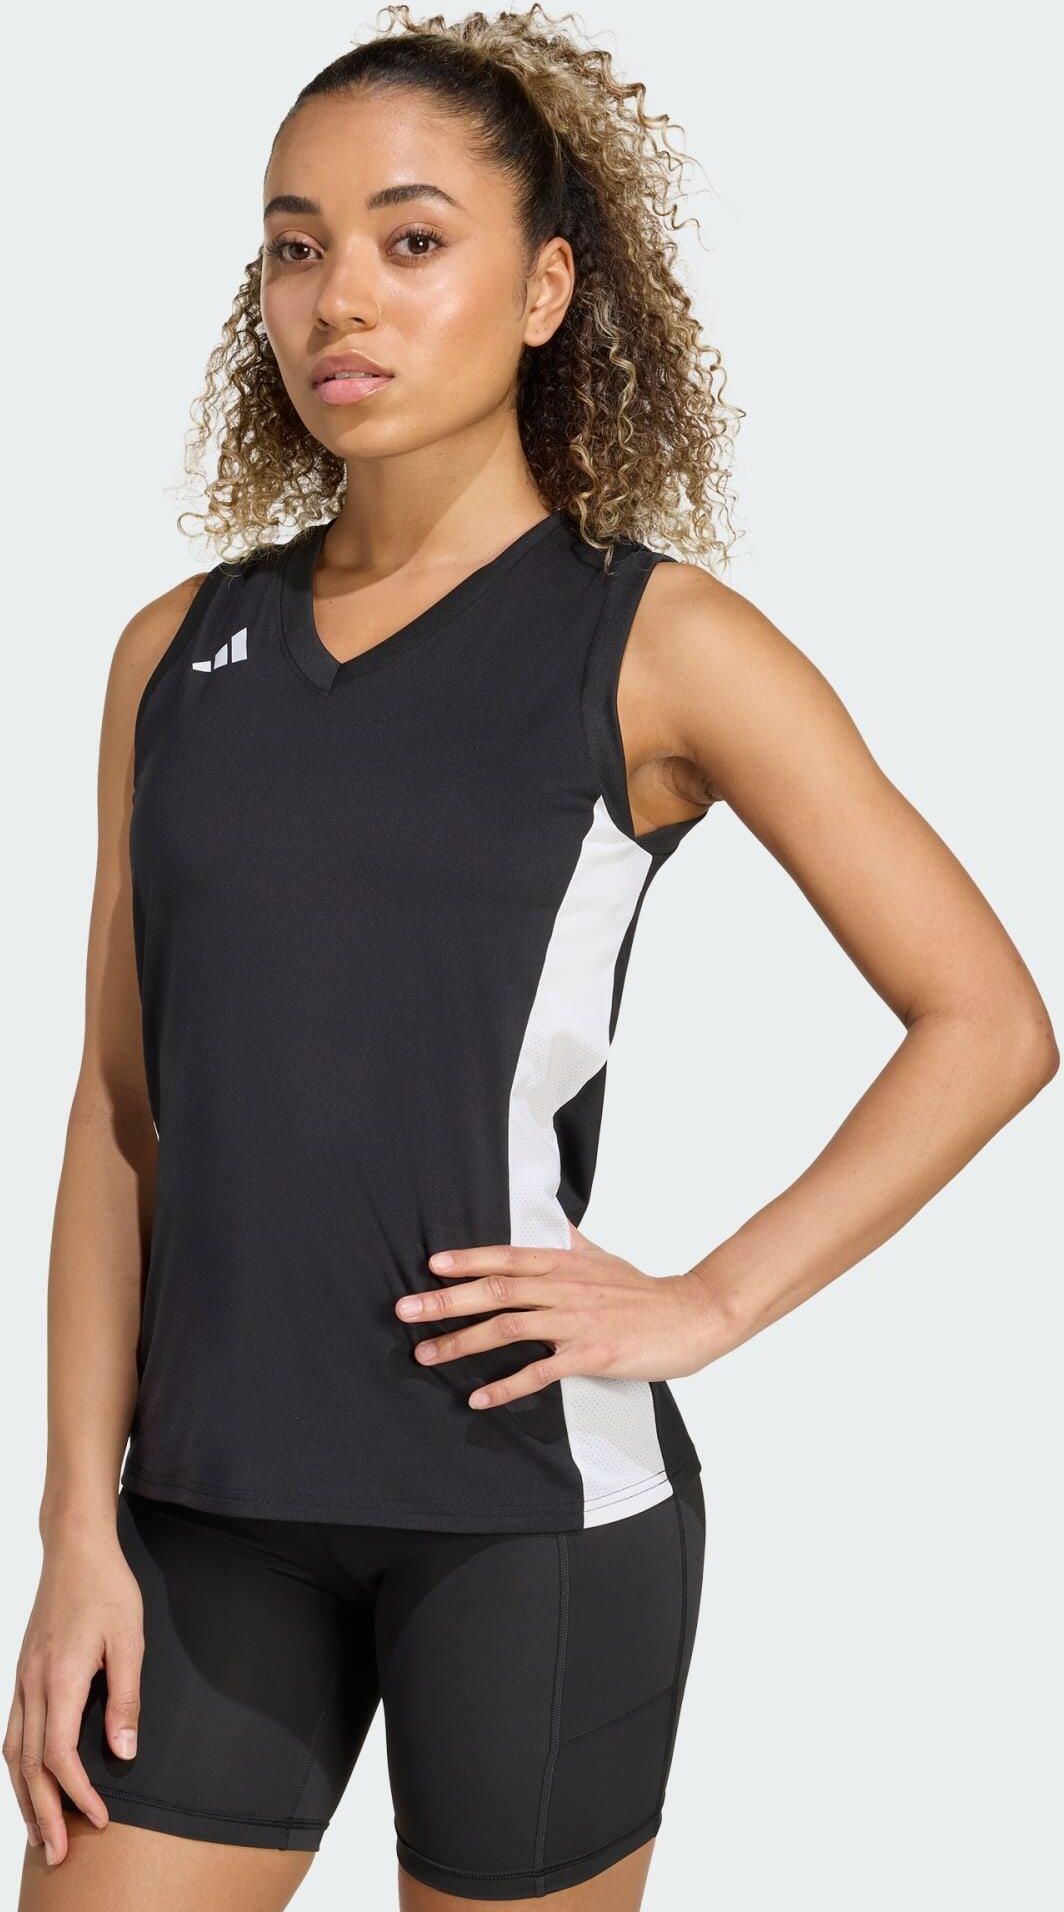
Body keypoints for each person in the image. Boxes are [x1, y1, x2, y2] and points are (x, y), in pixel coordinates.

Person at [7, 9, 1057, 1911]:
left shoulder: (657, 645)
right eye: (296, 244)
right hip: (202, 1516)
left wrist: (710, 1301)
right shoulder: (171, 654)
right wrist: (76, 1521)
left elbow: (986, 1020)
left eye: (413, 240)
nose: (342, 297)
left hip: (528, 1515)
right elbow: (118, 1118)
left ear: (549, 287)